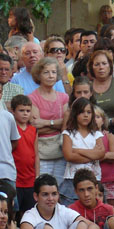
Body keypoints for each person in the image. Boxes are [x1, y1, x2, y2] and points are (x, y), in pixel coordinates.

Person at [28, 57, 70, 185]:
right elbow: (36, 127)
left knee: (60, 188)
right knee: (44, 186)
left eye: (53, 72)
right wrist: (59, 123)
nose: (51, 75)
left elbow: (67, 124)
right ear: (38, 75)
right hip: (41, 151)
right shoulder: (32, 98)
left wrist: (47, 122)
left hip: (60, 149)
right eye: (46, 72)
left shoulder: (64, 97)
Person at [60, 97, 104, 205]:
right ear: (75, 114)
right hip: (72, 179)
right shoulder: (68, 133)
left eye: (89, 112)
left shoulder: (96, 134)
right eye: (82, 112)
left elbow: (101, 154)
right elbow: (69, 156)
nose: (86, 115)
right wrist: (92, 154)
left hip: (93, 178)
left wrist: (77, 150)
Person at [10, 95, 37, 219]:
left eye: (28, 111)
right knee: (13, 211)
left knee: (28, 213)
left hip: (30, 179)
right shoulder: (11, 129)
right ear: (13, 111)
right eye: (21, 111)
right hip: (16, 178)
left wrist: (37, 175)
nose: (25, 114)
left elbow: (36, 154)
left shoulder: (33, 130)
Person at [92, 106, 114, 210]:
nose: (95, 119)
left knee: (112, 209)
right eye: (92, 117)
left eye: (97, 117)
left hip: (109, 179)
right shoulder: (87, 137)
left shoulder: (109, 136)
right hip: (94, 180)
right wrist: (106, 155)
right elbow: (89, 158)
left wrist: (97, 156)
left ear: (103, 120)